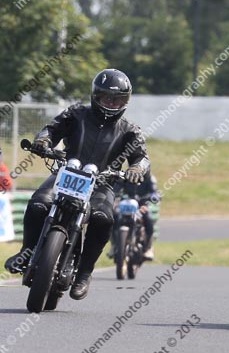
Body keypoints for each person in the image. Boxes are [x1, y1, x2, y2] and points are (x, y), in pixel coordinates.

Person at [4, 69, 150, 300]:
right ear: (95, 96)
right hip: (66, 173)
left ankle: (84, 272)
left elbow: (142, 157)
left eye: (118, 100)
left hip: (102, 183)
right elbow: (51, 129)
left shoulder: (130, 130)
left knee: (104, 218)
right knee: (39, 203)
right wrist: (43, 141)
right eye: (106, 98)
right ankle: (26, 251)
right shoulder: (76, 114)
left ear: (126, 101)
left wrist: (135, 169)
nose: (112, 103)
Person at [110, 171, 160, 261]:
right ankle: (114, 245)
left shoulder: (149, 178)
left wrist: (153, 196)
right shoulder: (125, 175)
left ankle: (148, 248)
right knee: (114, 217)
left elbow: (154, 192)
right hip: (127, 203)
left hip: (142, 204)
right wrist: (114, 194)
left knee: (148, 219)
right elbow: (115, 189)